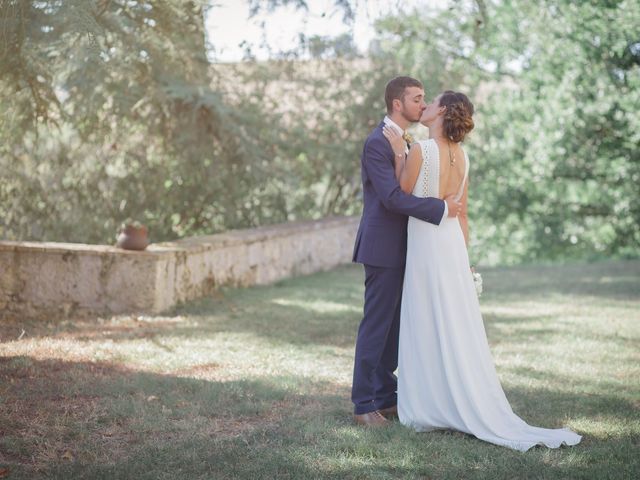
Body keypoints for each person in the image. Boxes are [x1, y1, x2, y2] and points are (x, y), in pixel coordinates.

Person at [383, 90, 582, 451]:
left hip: (427, 246)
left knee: (426, 319)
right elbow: (465, 214)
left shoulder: (422, 151)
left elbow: (401, 196)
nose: (424, 107)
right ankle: (451, 397)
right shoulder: (464, 156)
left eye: (430, 103)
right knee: (454, 321)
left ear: (441, 111)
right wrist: (464, 258)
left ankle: (428, 406)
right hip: (452, 248)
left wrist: (399, 152)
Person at [351, 77, 462, 426]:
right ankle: (363, 404)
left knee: (395, 330)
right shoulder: (376, 143)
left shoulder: (406, 142)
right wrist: (442, 210)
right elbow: (392, 198)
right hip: (383, 247)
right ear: (397, 104)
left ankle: (386, 397)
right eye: (417, 99)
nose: (422, 104)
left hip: (408, 249)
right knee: (376, 326)